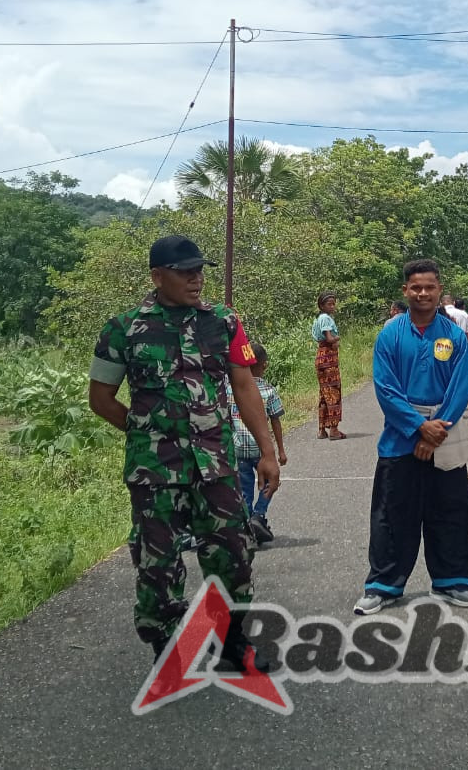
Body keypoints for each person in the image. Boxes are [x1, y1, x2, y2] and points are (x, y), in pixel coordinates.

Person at [87, 234, 280, 667]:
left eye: (200, 271)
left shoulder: (224, 321)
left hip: (217, 467)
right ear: (157, 277)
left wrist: (266, 451)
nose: (196, 279)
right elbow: (100, 399)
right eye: (185, 272)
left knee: (234, 553)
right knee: (158, 563)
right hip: (155, 473)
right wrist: (146, 434)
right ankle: (166, 644)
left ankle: (232, 641)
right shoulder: (124, 327)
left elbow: (245, 386)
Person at [355, 258, 468, 615]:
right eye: (416, 287)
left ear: (440, 290)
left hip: (444, 432)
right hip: (400, 437)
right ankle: (383, 585)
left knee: (451, 510)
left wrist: (437, 429)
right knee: (393, 514)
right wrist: (417, 427)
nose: (423, 293)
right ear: (405, 290)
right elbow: (386, 388)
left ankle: (452, 581)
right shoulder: (390, 334)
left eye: (430, 287)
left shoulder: (453, 334)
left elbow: (461, 387)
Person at [226, 342, 288, 544]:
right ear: (264, 365)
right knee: (270, 482)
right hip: (261, 450)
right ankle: (258, 516)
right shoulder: (268, 390)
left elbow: (225, 421)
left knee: (244, 490)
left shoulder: (230, 390)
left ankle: (248, 523)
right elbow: (275, 420)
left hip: (239, 448)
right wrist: (280, 450)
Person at [312, 291, 346, 440]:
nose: (332, 306)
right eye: (329, 304)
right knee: (333, 392)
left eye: (333, 303)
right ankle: (334, 429)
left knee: (324, 393)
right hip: (328, 359)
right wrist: (337, 338)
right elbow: (329, 338)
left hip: (321, 357)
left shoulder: (319, 318)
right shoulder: (326, 318)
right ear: (321, 306)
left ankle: (322, 430)